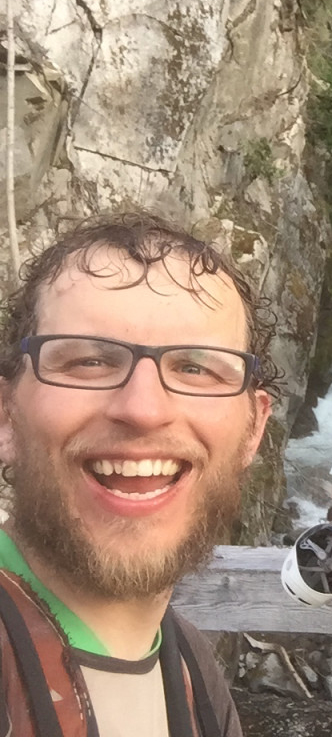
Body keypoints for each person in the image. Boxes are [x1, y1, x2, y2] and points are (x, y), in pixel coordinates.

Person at [0, 212, 276, 735]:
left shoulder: (195, 672)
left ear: (253, 430)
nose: (144, 409)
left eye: (195, 368)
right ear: (6, 417)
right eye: (87, 361)